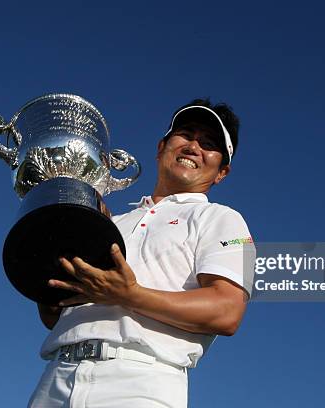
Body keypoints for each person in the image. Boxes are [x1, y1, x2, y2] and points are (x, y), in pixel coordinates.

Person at [28, 98, 256, 408]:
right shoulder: (110, 222)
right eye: (186, 134)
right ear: (162, 147)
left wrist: (129, 294)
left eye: (210, 144)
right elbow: (52, 316)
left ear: (221, 172)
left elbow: (227, 312)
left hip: (141, 382)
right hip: (56, 376)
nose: (194, 146)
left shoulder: (225, 219)